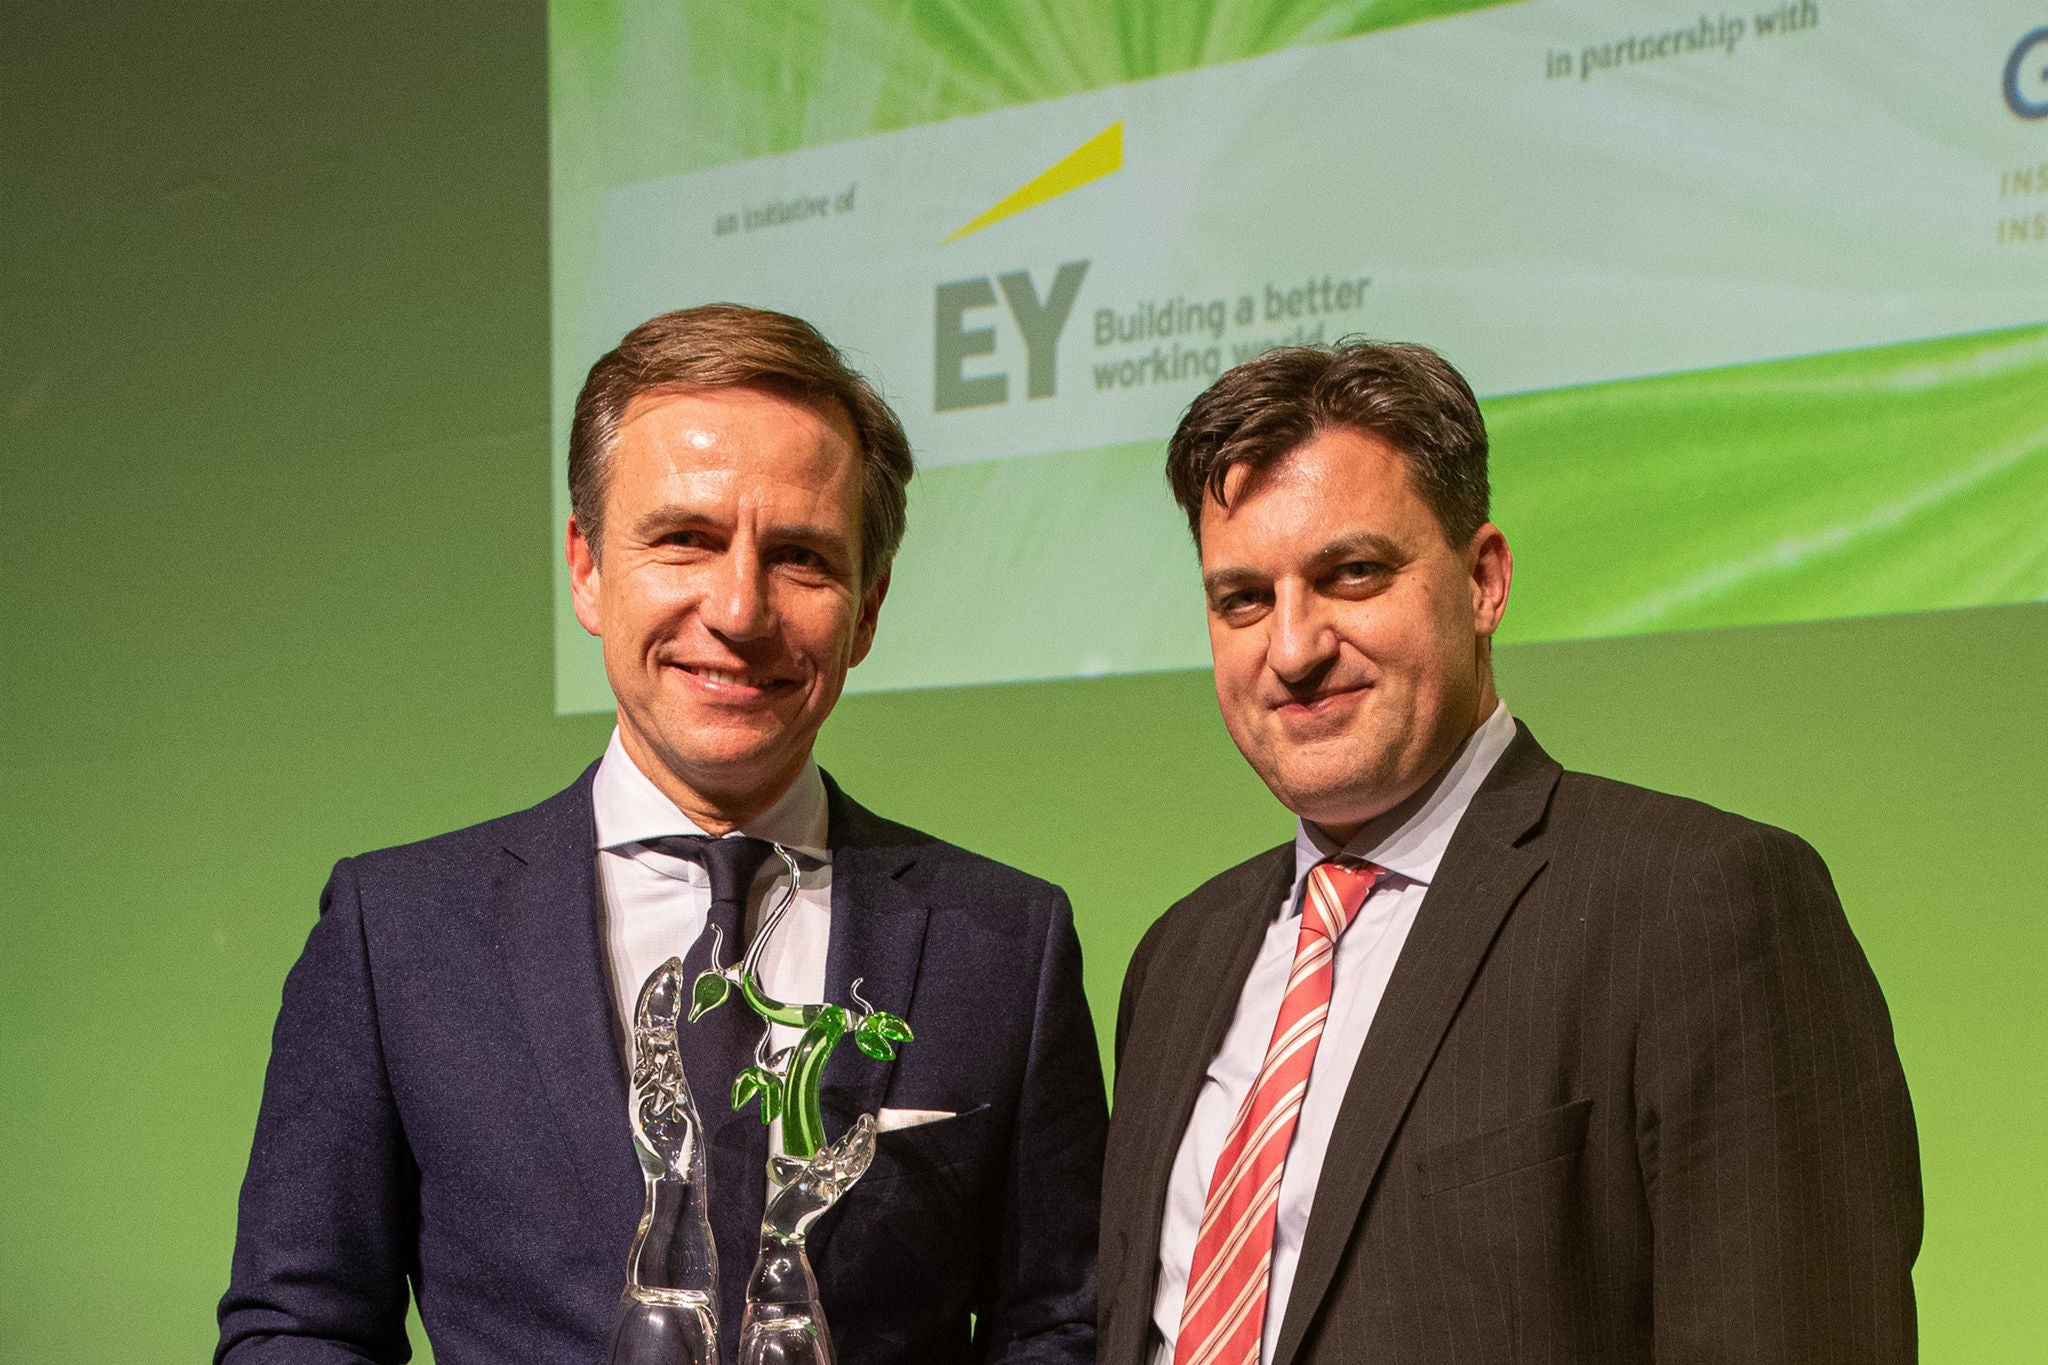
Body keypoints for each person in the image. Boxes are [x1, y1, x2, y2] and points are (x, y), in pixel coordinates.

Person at [218, 305, 1107, 1365]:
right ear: (587, 567)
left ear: (867, 608)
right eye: (685, 539)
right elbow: (298, 1327)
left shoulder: (1005, 943)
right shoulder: (397, 933)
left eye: (801, 557)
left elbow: (1056, 1327)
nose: (738, 609)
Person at [1097, 341, 1920, 1365]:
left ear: (1483, 580)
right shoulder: (1176, 959)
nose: (1294, 648)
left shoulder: (1696, 905)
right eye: (1244, 600)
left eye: (1351, 574)